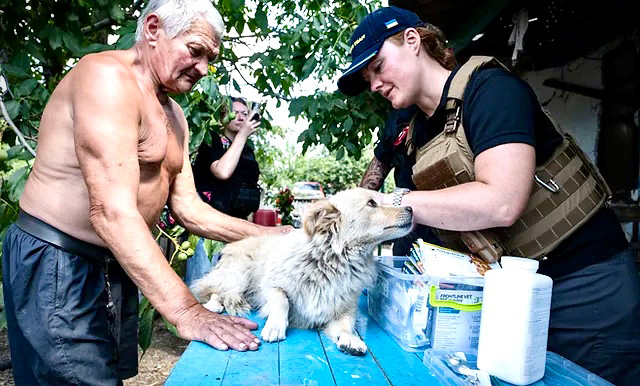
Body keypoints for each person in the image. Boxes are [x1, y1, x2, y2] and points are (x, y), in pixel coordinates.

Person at [338, 6, 640, 385]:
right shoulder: (413, 128)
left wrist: (391, 203)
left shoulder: (491, 89)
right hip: (510, 296)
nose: (374, 85)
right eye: (367, 79)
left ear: (412, 41)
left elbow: (502, 202)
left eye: (378, 67)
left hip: (582, 287)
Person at [1, 0, 288, 384]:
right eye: (195, 51)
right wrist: (187, 311)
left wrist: (275, 236)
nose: (203, 68)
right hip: (58, 259)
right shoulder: (105, 77)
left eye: (210, 58)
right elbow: (110, 212)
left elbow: (190, 209)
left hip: (111, 265)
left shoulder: (175, 115)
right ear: (153, 29)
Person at [359, 105, 440, 255]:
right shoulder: (400, 116)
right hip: (408, 237)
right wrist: (359, 202)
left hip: (461, 238)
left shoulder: (467, 101)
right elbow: (380, 161)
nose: (375, 87)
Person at [193, 97, 261, 220]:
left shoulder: (248, 151)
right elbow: (222, 172)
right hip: (211, 221)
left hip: (239, 221)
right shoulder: (213, 141)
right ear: (222, 117)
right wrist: (243, 135)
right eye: (234, 113)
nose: (241, 118)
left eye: (245, 114)